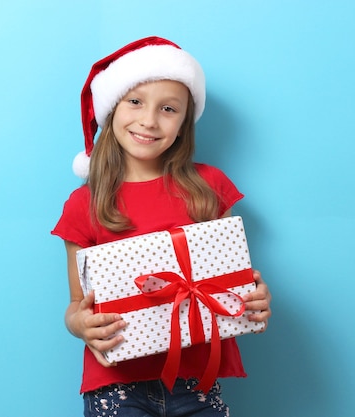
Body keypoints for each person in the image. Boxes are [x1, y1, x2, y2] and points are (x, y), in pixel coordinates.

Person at [51, 36, 272, 416]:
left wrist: (254, 300)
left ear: (185, 122)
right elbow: (76, 305)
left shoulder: (207, 188)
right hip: (117, 387)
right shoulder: (84, 205)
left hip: (197, 383)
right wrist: (82, 325)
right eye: (135, 101)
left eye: (168, 108)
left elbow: (232, 283)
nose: (149, 120)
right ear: (111, 108)